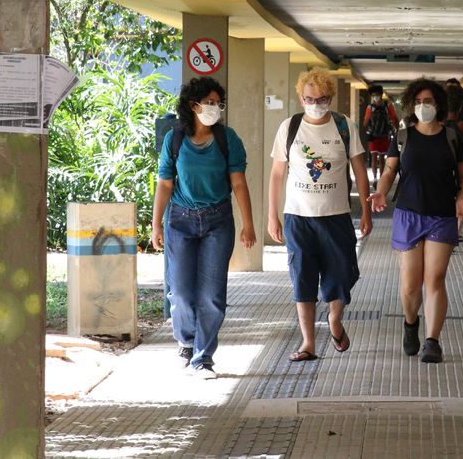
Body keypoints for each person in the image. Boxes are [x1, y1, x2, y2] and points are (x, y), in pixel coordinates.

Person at [152, 77, 257, 379]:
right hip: (180, 221)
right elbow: (164, 184)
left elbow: (239, 183)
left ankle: (203, 357)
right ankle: (186, 341)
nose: (214, 108)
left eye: (217, 102)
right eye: (208, 102)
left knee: (212, 294)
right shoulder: (175, 140)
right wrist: (155, 224)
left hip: (217, 220)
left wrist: (248, 225)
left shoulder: (228, 139)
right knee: (181, 293)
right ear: (192, 105)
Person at [268, 69, 374, 362]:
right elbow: (277, 175)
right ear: (301, 98)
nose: (315, 103)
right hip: (298, 217)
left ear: (331, 97)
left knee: (341, 275)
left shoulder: (344, 126)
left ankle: (335, 320)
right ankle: (308, 343)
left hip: (336, 216)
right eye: (309, 98)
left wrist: (366, 211)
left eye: (322, 98)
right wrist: (272, 216)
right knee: (302, 278)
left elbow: (360, 172)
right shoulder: (289, 128)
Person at [369, 78, 463, 364]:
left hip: (441, 216)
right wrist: (380, 191)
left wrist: (462, 198)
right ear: (411, 105)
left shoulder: (451, 137)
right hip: (408, 214)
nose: (423, 106)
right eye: (418, 102)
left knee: (435, 279)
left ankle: (432, 341)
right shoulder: (403, 137)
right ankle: (411, 322)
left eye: (429, 101)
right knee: (410, 285)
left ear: (438, 104)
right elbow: (390, 171)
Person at [362, 84, 398, 188]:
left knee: (374, 157)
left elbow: (365, 123)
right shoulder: (388, 105)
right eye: (374, 95)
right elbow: (394, 118)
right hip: (384, 135)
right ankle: (381, 178)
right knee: (382, 158)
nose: (375, 97)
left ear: (381, 95)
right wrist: (397, 129)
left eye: (376, 95)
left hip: (373, 136)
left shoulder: (370, 107)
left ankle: (374, 178)